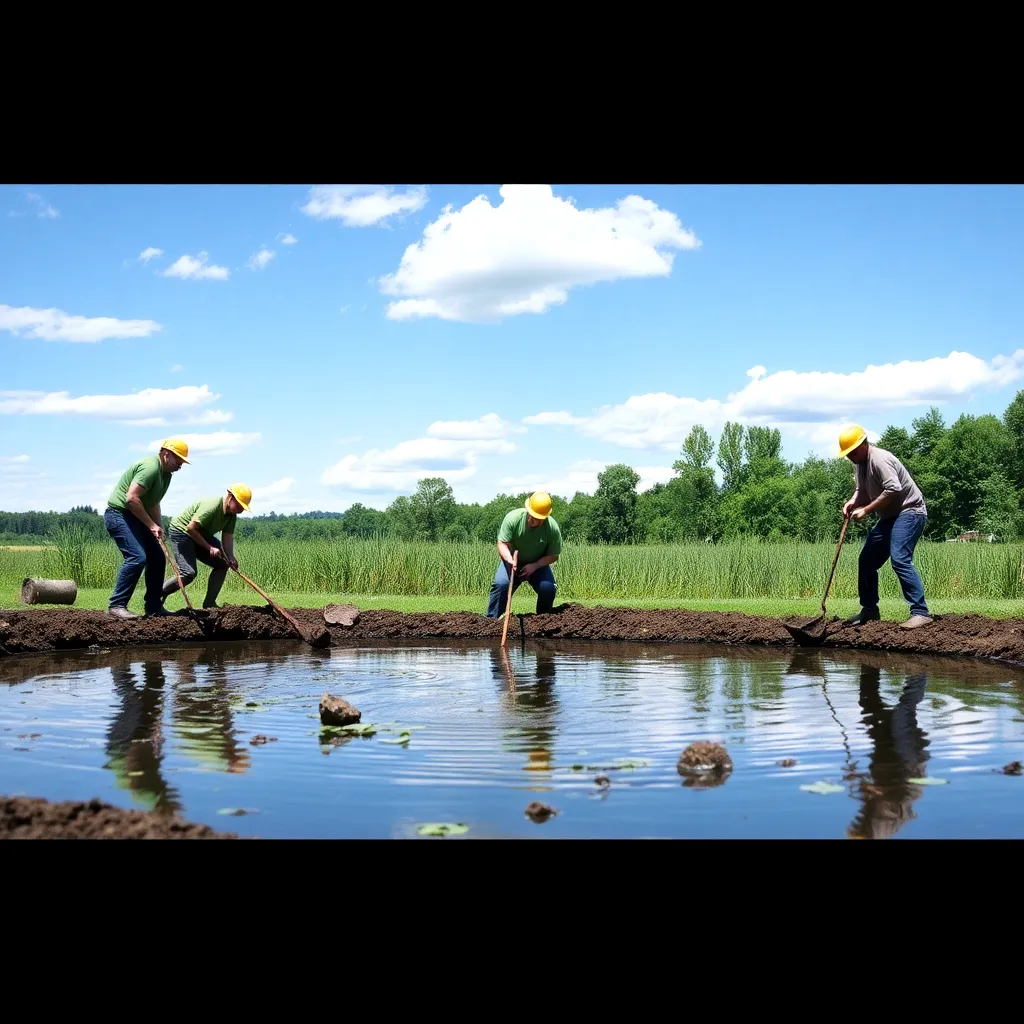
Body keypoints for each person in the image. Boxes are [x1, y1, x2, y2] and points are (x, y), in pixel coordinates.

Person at [838, 424, 932, 629]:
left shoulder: (880, 459)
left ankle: (920, 612)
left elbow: (893, 489)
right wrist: (853, 502)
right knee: (867, 560)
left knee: (900, 558)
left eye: (852, 452)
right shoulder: (860, 464)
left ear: (863, 445)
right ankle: (870, 610)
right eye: (847, 454)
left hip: (910, 511)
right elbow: (862, 490)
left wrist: (866, 510)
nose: (850, 457)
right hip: (890, 517)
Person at [104, 438, 190, 619]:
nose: (180, 465)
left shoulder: (166, 475)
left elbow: (153, 502)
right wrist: (151, 525)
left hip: (137, 516)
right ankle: (117, 606)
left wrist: (158, 526)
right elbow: (131, 499)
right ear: (166, 454)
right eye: (178, 459)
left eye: (182, 461)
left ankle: (154, 607)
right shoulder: (150, 468)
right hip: (120, 514)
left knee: (158, 557)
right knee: (137, 557)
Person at [160, 484, 251, 610]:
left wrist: (231, 557)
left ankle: (209, 603)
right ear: (230, 497)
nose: (241, 510)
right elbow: (191, 529)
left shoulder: (231, 516)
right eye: (239, 505)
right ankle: (155, 597)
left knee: (222, 564)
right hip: (182, 532)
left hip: (201, 534)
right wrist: (209, 548)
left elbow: (227, 537)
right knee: (188, 573)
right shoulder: (212, 506)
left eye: (243, 508)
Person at [486, 491, 562, 618]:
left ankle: (543, 621)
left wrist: (535, 565)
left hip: (537, 565)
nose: (532, 520)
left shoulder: (552, 528)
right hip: (512, 562)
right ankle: (492, 621)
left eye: (537, 518)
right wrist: (510, 560)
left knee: (548, 588)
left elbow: (554, 555)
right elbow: (502, 544)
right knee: (501, 584)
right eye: (531, 514)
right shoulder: (513, 519)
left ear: (544, 517)